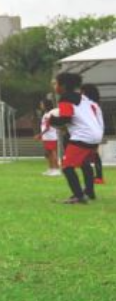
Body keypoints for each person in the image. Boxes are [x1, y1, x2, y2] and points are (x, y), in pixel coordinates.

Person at [46, 73, 102, 204]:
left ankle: (79, 196)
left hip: (83, 136)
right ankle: (89, 192)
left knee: (67, 166)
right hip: (95, 135)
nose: (55, 87)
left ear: (63, 86)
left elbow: (66, 118)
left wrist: (52, 120)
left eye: (56, 83)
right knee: (84, 163)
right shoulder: (83, 98)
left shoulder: (65, 99)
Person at [81, 84, 105, 184]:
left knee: (92, 156)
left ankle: (98, 177)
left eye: (82, 91)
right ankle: (98, 176)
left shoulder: (90, 105)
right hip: (96, 132)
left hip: (92, 133)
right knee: (93, 155)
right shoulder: (94, 105)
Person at [36, 99, 61, 177]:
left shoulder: (51, 113)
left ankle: (56, 169)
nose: (41, 106)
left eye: (42, 104)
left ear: (46, 105)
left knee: (53, 152)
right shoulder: (45, 114)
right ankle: (51, 169)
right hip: (46, 136)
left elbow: (47, 126)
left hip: (51, 136)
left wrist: (40, 134)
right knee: (48, 153)